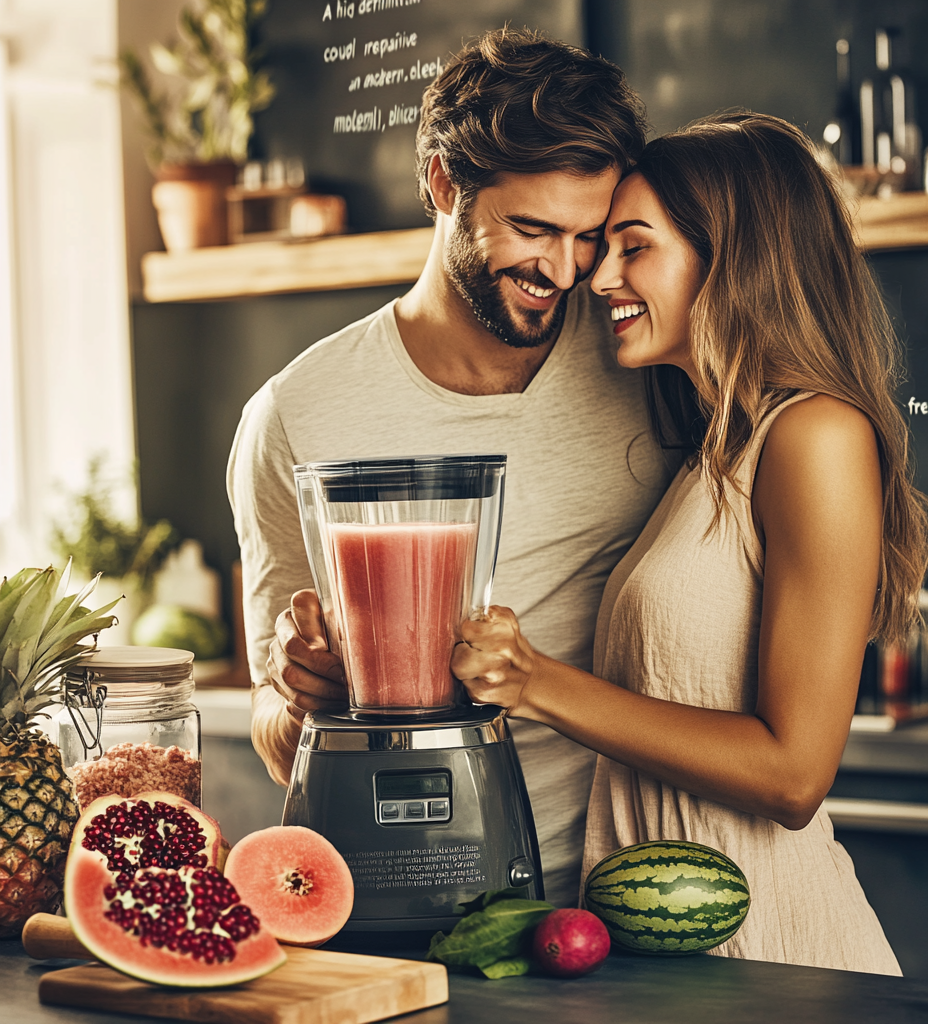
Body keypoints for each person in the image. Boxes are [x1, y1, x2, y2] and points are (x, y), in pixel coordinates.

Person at [451, 112, 928, 974]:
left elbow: (794, 775)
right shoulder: (715, 447)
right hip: (669, 958)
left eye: (633, 248)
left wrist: (540, 683)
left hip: (777, 958)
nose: (599, 278)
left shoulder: (815, 433)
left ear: (733, 260)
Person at [227, 29, 674, 909]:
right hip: (410, 899)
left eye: (588, 237)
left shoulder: (645, 359)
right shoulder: (296, 414)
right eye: (532, 229)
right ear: (442, 184)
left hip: (639, 889)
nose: (563, 270)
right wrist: (301, 694)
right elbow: (277, 737)